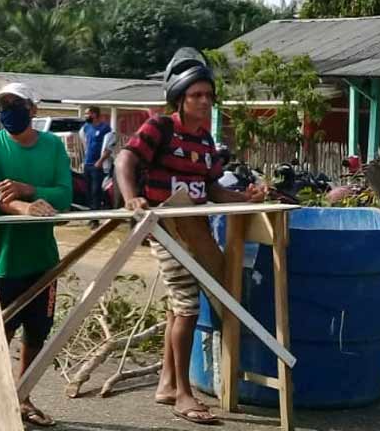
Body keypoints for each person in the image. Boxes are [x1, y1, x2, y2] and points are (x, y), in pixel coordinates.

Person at [116, 47, 267, 426]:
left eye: (207, 95)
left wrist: (243, 199)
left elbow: (211, 189)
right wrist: (132, 196)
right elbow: (125, 160)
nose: (203, 101)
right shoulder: (161, 128)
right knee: (187, 304)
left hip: (195, 228)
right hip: (165, 226)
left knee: (176, 304)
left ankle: (167, 383)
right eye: (195, 95)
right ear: (180, 98)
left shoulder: (205, 140)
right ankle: (184, 393)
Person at [0, 82, 72, 428]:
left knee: (38, 330)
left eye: (15, 105)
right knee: (0, 331)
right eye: (2, 106)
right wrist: (22, 207)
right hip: (2, 257)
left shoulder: (53, 147)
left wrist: (31, 190)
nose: (7, 112)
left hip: (42, 257)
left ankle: (22, 394)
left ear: (32, 109)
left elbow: (64, 193)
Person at [81, 106, 112, 211]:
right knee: (88, 190)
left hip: (97, 164)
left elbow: (109, 147)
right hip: (87, 163)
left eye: (87, 114)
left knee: (96, 190)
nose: (86, 116)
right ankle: (91, 211)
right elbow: (85, 141)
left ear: (94, 114)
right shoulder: (86, 127)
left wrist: (100, 161)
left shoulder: (105, 128)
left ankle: (95, 216)